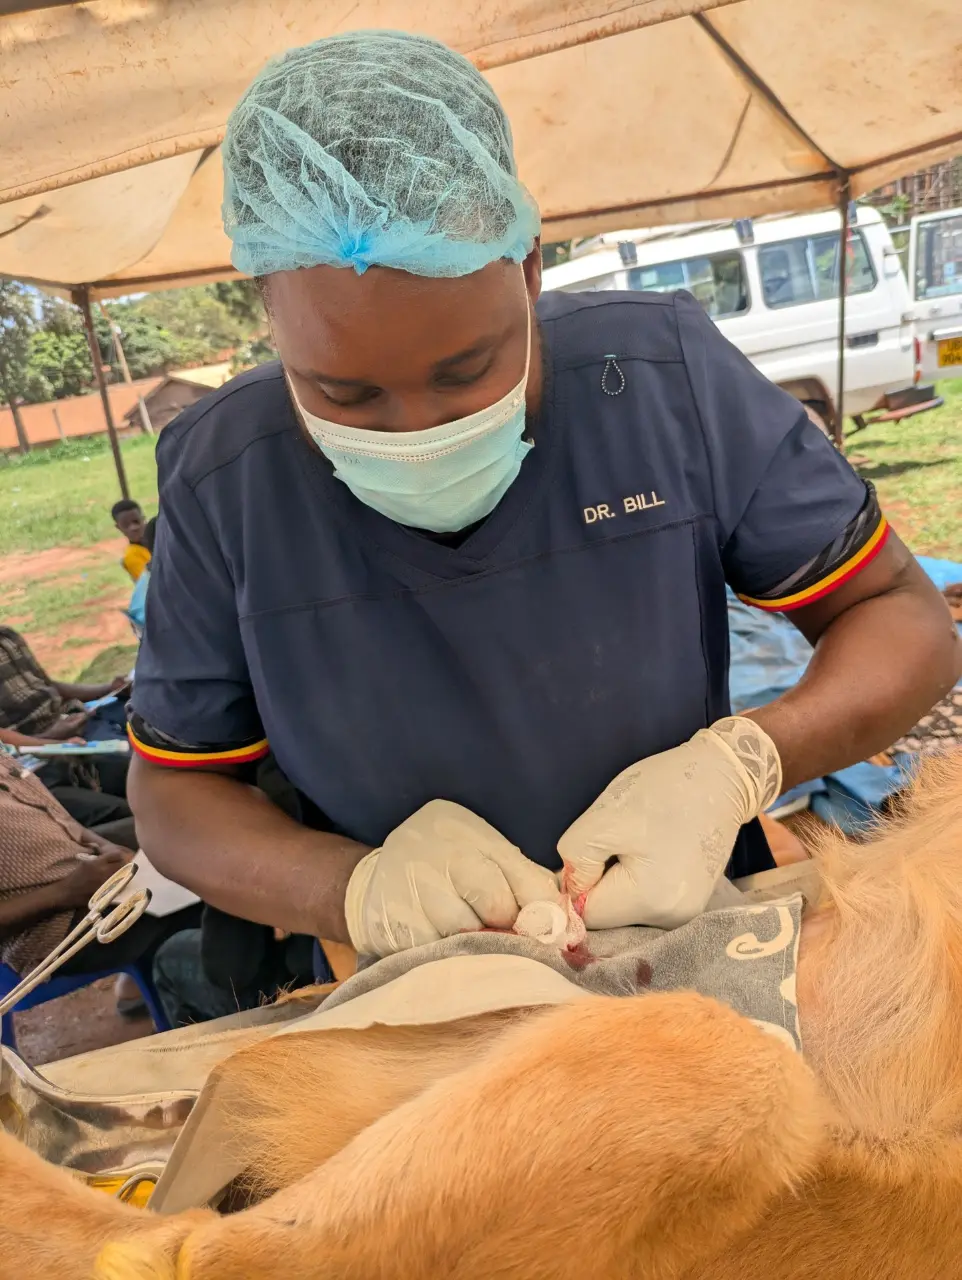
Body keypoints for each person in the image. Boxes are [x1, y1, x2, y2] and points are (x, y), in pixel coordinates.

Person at [128, 31, 960, 960]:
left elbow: (899, 616)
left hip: (689, 920)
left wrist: (743, 762)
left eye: (466, 371)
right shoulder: (223, 475)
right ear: (270, 313)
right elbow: (174, 790)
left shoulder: (659, 379)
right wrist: (351, 889)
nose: (417, 435)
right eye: (345, 394)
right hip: (412, 968)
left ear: (527, 268)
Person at [0, 751, 199, 988]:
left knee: (181, 827)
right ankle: (182, 986)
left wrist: (107, 847)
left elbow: (60, 818)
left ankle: (146, 982)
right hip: (56, 927)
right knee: (207, 889)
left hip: (88, 868)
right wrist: (65, 891)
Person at [112, 499, 152, 583]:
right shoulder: (131, 556)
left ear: (143, 518)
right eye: (126, 525)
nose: (133, 528)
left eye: (136, 522)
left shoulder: (158, 536)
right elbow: (152, 581)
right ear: (119, 528)